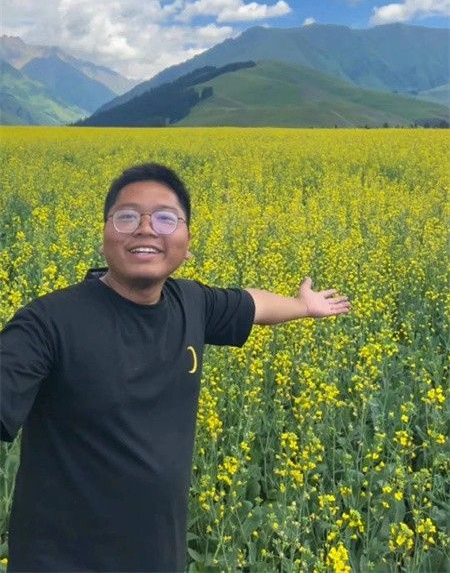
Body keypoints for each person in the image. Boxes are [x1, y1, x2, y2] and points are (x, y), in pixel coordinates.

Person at [1, 162, 351, 573]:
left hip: (158, 556)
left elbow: (252, 304)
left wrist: (302, 306)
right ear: (104, 237)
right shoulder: (49, 323)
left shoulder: (192, 302)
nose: (146, 229)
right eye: (127, 216)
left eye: (165, 218)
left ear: (187, 244)